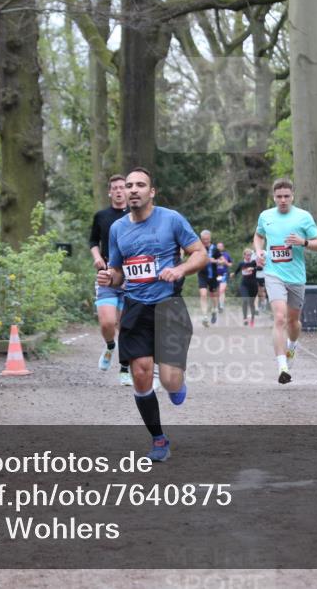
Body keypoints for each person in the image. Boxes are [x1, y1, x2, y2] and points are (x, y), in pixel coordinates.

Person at [97, 167, 207, 461]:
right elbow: (118, 272)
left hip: (168, 307)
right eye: (129, 185)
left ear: (152, 191)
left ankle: (176, 384)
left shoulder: (171, 219)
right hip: (134, 307)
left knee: (170, 380)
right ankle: (159, 440)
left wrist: (180, 269)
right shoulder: (117, 229)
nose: (133, 189)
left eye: (140, 185)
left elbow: (199, 253)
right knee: (141, 373)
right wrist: (110, 278)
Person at [254, 178, 317, 385]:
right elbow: (258, 236)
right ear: (274, 197)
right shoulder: (265, 216)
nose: (283, 200)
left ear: (292, 196)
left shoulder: (303, 217)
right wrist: (259, 251)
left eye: (286, 196)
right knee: (279, 318)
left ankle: (292, 346)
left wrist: (303, 242)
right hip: (273, 274)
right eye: (279, 197)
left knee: (293, 322)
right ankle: (282, 366)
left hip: (296, 277)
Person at [89, 174, 132, 386]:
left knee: (125, 326)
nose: (118, 191)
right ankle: (109, 346)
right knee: (107, 322)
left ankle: (125, 369)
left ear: (127, 191)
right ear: (109, 192)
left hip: (131, 276)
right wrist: (97, 257)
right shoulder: (101, 216)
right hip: (107, 274)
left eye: (122, 187)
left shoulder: (135, 215)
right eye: (114, 188)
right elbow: (93, 241)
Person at [197, 230, 221, 326]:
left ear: (210, 238)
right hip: (202, 274)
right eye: (203, 239)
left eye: (207, 239)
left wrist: (215, 261)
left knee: (214, 296)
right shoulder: (198, 248)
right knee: (203, 294)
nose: (205, 241)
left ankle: (214, 310)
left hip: (213, 275)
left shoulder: (214, 248)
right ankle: (205, 317)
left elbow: (222, 260)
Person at [234, 248, 260, 327]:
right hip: (244, 285)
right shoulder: (241, 263)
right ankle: (245, 318)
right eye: (247, 255)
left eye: (250, 255)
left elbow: (261, 268)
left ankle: (252, 319)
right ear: (244, 255)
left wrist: (253, 268)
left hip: (253, 286)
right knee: (245, 300)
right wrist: (233, 275)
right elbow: (236, 271)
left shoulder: (254, 262)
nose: (248, 257)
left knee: (251, 303)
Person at [215, 241, 233, 312]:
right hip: (215, 274)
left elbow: (230, 264)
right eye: (218, 246)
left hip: (224, 274)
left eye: (221, 246)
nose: (219, 247)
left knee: (222, 290)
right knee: (216, 290)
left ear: (223, 247)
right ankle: (216, 305)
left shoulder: (226, 254)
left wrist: (225, 262)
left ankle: (221, 306)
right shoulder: (213, 254)